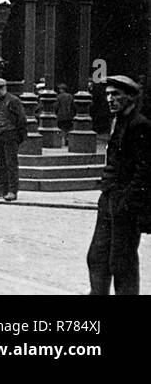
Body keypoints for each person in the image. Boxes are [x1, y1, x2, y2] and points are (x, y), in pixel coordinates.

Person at [87, 75, 151, 294]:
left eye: (116, 94)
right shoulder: (117, 122)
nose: (110, 99)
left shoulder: (139, 125)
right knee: (97, 256)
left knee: (121, 263)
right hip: (108, 198)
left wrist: (127, 201)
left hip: (125, 203)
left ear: (130, 97)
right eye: (107, 94)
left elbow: (145, 170)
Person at [0, 77, 27, 202]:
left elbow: (21, 119)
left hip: (10, 134)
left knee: (11, 163)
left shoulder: (13, 101)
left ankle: (12, 191)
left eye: (0, 88)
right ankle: (2, 189)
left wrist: (18, 136)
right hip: (0, 134)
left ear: (5, 88)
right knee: (0, 163)